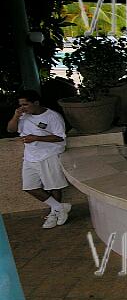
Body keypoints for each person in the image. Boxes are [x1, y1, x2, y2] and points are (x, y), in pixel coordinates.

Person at [6, 90, 72, 229]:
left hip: (49, 154)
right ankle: (59, 208)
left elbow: (60, 137)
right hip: (30, 157)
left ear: (36, 103)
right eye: (20, 105)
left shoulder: (52, 116)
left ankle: (54, 214)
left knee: (53, 186)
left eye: (25, 104)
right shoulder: (23, 116)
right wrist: (16, 116)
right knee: (29, 187)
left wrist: (36, 138)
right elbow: (11, 130)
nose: (22, 108)